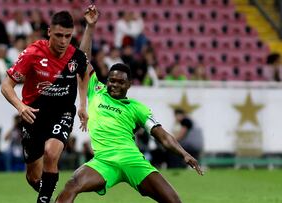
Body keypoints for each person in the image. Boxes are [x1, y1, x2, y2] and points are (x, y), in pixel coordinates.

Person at [55, 7, 202, 203]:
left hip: (132, 160)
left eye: (120, 82)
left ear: (129, 85)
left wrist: (183, 153)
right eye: (111, 80)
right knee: (72, 184)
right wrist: (91, 27)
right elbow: (83, 60)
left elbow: (163, 136)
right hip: (104, 161)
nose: (114, 85)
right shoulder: (96, 90)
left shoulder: (137, 108)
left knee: (174, 201)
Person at [0, 6, 98, 203]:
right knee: (34, 177)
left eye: (68, 36)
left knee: (51, 153)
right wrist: (20, 106)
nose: (63, 41)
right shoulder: (33, 53)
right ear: (49, 32)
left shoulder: (73, 56)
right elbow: (6, 86)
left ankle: (43, 201)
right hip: (33, 115)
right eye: (59, 35)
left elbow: (84, 71)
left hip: (63, 113)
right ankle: (50, 195)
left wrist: (82, 105)